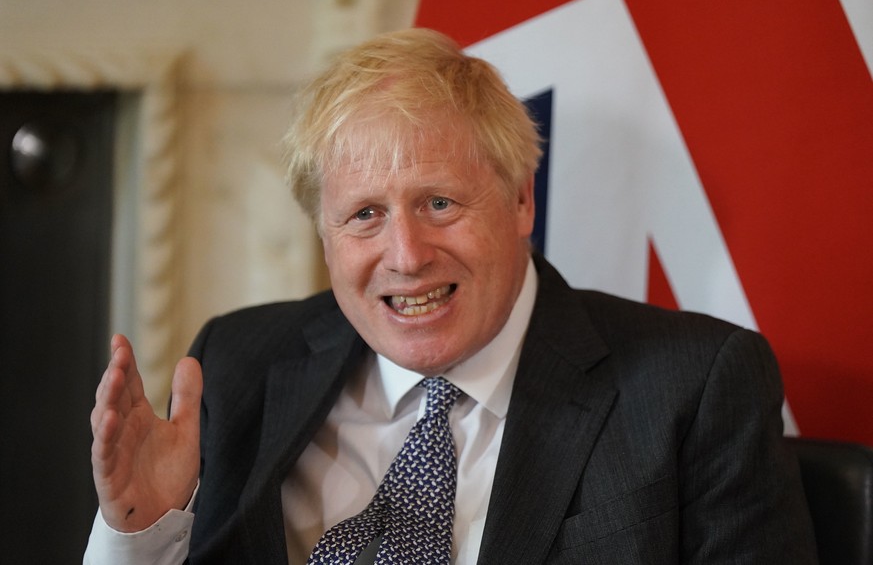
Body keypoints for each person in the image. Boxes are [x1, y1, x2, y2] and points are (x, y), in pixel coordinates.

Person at [85, 28, 817, 564]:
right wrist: (143, 534)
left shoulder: (692, 386)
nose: (405, 256)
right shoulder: (238, 363)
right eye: (365, 214)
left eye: (438, 203)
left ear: (521, 200)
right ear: (323, 233)